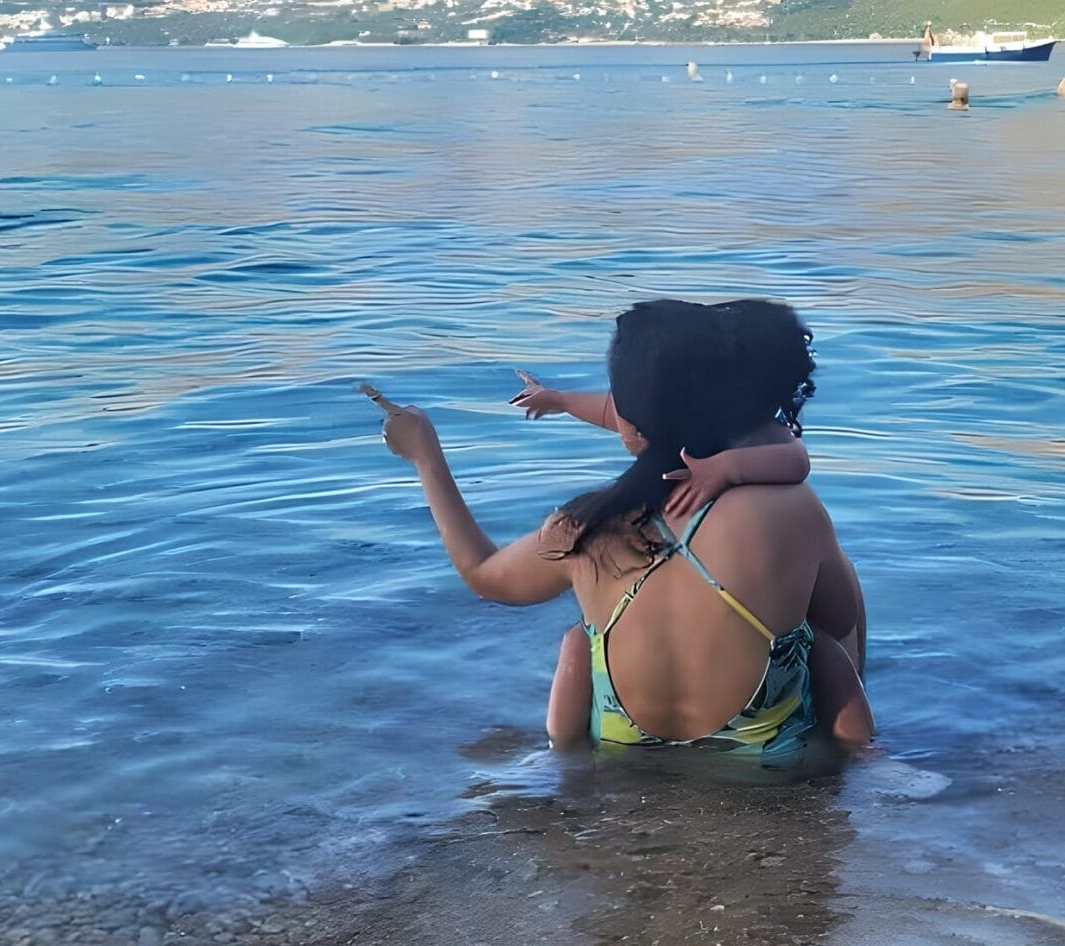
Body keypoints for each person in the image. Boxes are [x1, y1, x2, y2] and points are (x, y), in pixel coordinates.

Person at [365, 300, 873, 759]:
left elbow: (483, 574)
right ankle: (860, 759)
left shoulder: (583, 528)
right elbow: (840, 615)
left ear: (629, 423)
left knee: (577, 640)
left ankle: (562, 763)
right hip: (766, 751)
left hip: (624, 741)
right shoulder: (791, 507)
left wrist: (425, 455)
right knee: (819, 622)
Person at [514, 300, 866, 742]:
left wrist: (727, 470)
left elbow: (796, 459)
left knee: (578, 641)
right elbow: (620, 413)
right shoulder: (719, 420)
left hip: (631, 723)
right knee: (828, 621)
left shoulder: (745, 430)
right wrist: (561, 400)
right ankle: (859, 744)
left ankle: (560, 760)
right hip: (754, 727)